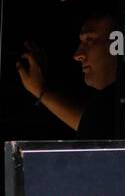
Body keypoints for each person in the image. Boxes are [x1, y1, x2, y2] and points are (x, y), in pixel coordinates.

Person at [16, 7, 119, 139]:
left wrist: (41, 91)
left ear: (119, 44)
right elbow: (91, 124)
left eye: (90, 40)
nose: (78, 55)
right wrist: (41, 91)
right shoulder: (117, 114)